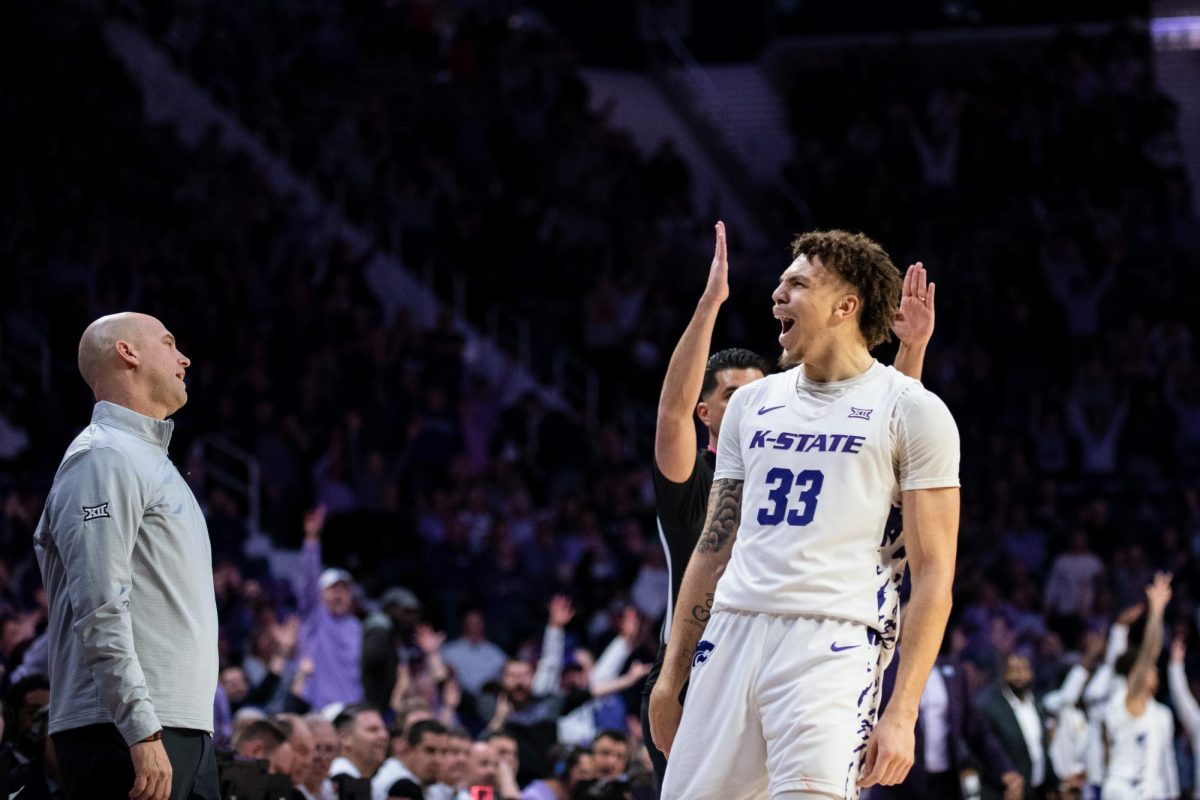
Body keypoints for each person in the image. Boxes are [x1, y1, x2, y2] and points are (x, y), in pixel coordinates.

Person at [649, 229, 960, 800]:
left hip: (833, 642)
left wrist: (902, 709)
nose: (776, 295)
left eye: (797, 284)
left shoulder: (914, 411)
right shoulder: (749, 404)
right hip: (732, 630)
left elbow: (934, 573)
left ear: (846, 305)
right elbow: (714, 548)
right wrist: (671, 677)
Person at [34, 312, 219, 800]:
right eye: (168, 342)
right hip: (125, 731)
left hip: (179, 728)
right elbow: (100, 604)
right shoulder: (104, 456)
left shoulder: (149, 460)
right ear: (128, 353)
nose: (184, 357)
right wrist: (140, 727)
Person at [1101, 573, 1178, 800]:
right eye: (1149, 669)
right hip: (1125, 790)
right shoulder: (1127, 698)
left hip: (1149, 791)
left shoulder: (1158, 712)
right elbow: (1149, 652)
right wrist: (1156, 611)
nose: (1154, 672)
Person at [299, 505, 365, 709]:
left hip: (353, 709)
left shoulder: (357, 627)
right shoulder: (315, 618)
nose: (338, 594)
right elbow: (309, 581)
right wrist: (311, 540)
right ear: (321, 595)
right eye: (331, 589)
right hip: (321, 710)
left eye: (343, 589)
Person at [977, 654, 1056, 799]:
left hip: (1037, 790)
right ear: (1004, 673)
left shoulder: (1038, 705)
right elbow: (987, 752)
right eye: (1013, 670)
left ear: (1032, 672)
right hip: (1006, 792)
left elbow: (1042, 749)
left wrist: (1054, 784)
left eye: (1024, 669)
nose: (1019, 675)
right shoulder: (990, 708)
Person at [372, 718, 447, 800]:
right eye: (430, 751)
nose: (438, 760)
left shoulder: (431, 785)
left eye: (443, 752)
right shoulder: (392, 784)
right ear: (408, 749)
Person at [331, 704, 390, 780]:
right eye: (373, 729)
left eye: (385, 729)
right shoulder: (334, 783)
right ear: (345, 738)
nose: (384, 736)